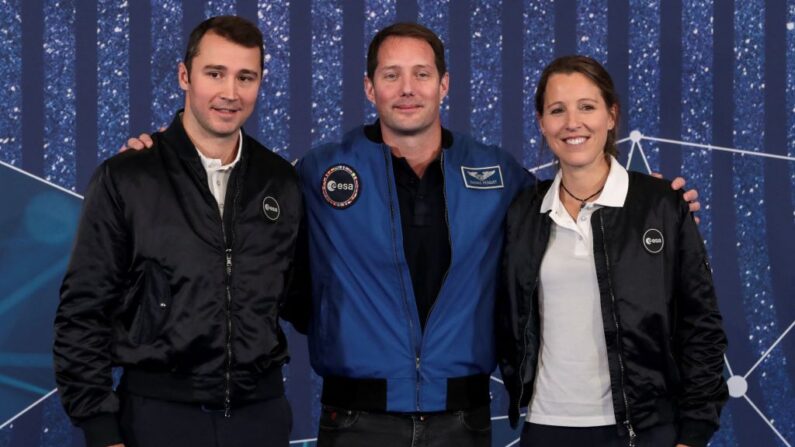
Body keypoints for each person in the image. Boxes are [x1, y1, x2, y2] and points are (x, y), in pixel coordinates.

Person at [124, 23, 701, 447]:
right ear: (368, 86)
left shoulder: (499, 176)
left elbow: (573, 199)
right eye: (391, 75)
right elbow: (251, 237)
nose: (408, 88)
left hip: (465, 422)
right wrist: (165, 155)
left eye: (422, 73)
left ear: (444, 84)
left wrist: (645, 198)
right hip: (354, 423)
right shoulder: (317, 173)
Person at [53, 16, 300, 447]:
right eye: (215, 73)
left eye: (246, 77)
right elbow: (82, 313)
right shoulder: (128, 177)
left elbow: (307, 298)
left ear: (261, 82)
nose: (230, 92)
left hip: (260, 417)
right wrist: (99, 426)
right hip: (156, 417)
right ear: (185, 76)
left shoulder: (279, 181)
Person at [496, 55, 728, 447]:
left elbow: (701, 326)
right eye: (557, 110)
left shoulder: (661, 205)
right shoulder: (524, 211)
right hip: (547, 427)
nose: (573, 122)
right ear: (542, 122)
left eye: (587, 106)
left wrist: (694, 433)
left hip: (644, 429)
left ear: (611, 115)